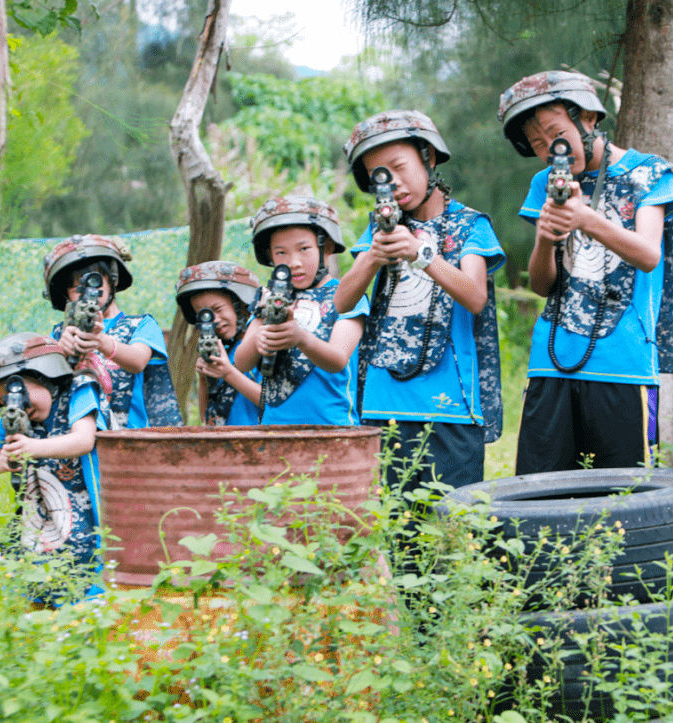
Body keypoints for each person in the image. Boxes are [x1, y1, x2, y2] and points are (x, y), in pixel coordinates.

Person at [497, 70, 673, 474]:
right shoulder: (544, 183)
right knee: (540, 491)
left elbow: (649, 254)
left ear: (587, 117)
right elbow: (542, 284)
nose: (550, 149)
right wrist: (546, 238)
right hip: (551, 361)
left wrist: (585, 218)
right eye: (537, 144)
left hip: (625, 363)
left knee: (623, 495)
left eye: (555, 132)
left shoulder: (650, 173)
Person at [335, 110, 505, 492]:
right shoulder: (378, 230)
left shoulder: (470, 224)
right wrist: (372, 256)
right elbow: (343, 302)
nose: (392, 183)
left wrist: (421, 253)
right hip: (383, 403)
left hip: (450, 407)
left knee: (449, 522)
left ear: (428, 157)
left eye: (399, 167)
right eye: (380, 176)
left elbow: (476, 296)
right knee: (394, 531)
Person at [0, 332, 111, 600]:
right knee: (38, 562)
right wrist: (3, 460)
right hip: (45, 514)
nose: (15, 406)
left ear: (46, 375)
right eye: (3, 402)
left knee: (90, 563)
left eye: (19, 396)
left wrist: (33, 448)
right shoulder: (16, 417)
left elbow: (83, 439)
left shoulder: (78, 391)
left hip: (93, 508)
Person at [234, 195, 368, 426]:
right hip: (274, 429)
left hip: (332, 430)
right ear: (270, 256)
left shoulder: (346, 295)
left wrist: (301, 338)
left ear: (325, 248)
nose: (293, 262)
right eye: (281, 253)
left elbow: (337, 360)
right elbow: (242, 363)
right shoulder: (268, 298)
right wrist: (260, 337)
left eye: (304, 249)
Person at [44, 234, 182, 429]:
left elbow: (138, 361)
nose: (86, 294)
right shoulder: (60, 333)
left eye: (94, 282)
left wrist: (102, 342)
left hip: (129, 445)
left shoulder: (141, 325)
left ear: (113, 279)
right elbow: (43, 385)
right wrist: (61, 352)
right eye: (76, 288)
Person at [174, 261, 262, 426]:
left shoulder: (262, 345)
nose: (213, 320)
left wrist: (228, 373)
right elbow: (208, 420)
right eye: (203, 315)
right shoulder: (222, 353)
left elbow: (275, 404)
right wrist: (204, 379)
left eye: (218, 309)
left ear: (242, 303)